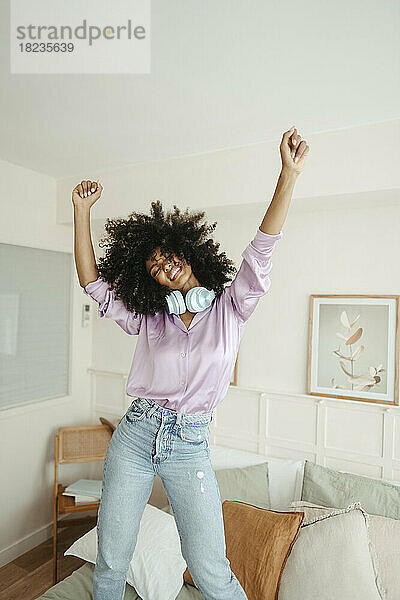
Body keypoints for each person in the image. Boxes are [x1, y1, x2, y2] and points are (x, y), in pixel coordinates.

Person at [72, 126, 309, 600]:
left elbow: (262, 248)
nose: (164, 268)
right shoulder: (150, 317)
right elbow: (93, 284)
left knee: (211, 570)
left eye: (168, 257)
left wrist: (287, 175)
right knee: (110, 562)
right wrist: (81, 213)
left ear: (188, 249)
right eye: (154, 268)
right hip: (136, 434)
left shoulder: (230, 307)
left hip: (189, 442)